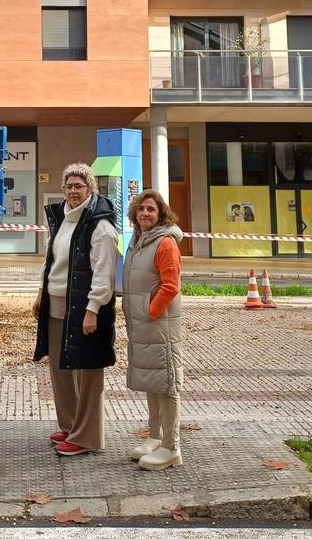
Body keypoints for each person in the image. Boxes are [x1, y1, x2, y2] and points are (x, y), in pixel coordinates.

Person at [33, 162, 120, 457]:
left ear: (90, 189)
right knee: (60, 369)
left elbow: (104, 273)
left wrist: (93, 308)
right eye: (69, 186)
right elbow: (51, 263)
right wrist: (40, 294)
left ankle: (87, 436)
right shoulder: (62, 220)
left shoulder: (101, 225)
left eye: (79, 186)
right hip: (57, 305)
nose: (73, 191)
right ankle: (70, 425)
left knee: (87, 373)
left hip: (84, 310)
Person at [123, 189, 183, 471]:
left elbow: (171, 285)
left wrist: (150, 311)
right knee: (151, 381)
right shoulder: (137, 243)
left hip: (158, 326)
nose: (145, 213)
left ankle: (172, 446)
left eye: (151, 209)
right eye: (141, 208)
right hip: (142, 325)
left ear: (161, 215)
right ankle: (155, 437)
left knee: (168, 384)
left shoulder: (165, 243)